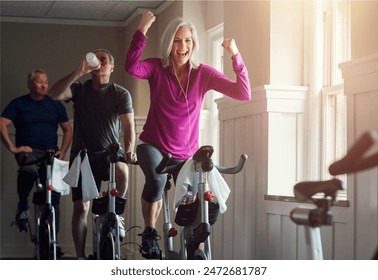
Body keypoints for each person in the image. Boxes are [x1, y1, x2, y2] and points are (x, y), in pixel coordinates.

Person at [124, 11, 251, 259]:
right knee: (158, 180)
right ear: (169, 43)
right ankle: (150, 233)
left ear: (194, 44)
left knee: (197, 199)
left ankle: (195, 249)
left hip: (186, 154)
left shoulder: (203, 73)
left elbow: (243, 92)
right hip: (153, 145)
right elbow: (131, 66)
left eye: (188, 41)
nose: (182, 46)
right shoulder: (156, 68)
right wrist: (141, 31)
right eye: (177, 40)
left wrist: (235, 55)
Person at [48, 49, 136, 260]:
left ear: (111, 67)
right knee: (81, 208)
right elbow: (54, 94)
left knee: (123, 170)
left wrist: (130, 150)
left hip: (109, 155)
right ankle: (80, 257)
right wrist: (79, 71)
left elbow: (129, 127)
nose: (98, 62)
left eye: (103, 59)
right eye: (96, 58)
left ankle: (116, 214)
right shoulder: (80, 90)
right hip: (83, 157)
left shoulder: (120, 93)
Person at [0, 69, 73, 254]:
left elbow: (68, 129)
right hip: (29, 152)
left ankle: (53, 242)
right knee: (28, 172)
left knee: (54, 196)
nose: (44, 85)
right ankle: (23, 205)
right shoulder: (19, 104)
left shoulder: (55, 105)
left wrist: (62, 151)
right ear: (30, 84)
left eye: (46, 82)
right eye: (40, 82)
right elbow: (2, 122)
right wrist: (12, 148)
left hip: (50, 153)